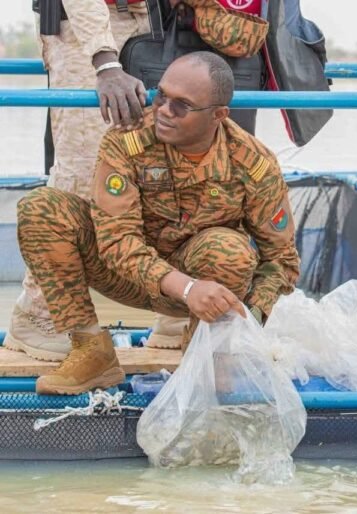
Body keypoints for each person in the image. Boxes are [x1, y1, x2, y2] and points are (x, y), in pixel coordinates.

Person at [16, 52, 300, 395]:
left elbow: (281, 259)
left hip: (200, 287)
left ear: (218, 115)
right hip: (125, 274)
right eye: (161, 95)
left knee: (230, 252)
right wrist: (186, 288)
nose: (164, 110)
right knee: (41, 209)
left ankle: (206, 359)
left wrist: (249, 317)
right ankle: (92, 352)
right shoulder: (127, 139)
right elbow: (117, 241)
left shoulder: (252, 163)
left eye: (182, 105)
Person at [5, 0, 151, 361]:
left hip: (153, 33)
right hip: (89, 42)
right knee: (84, 174)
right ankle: (38, 315)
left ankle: (175, 315)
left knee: (160, 173)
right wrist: (106, 60)